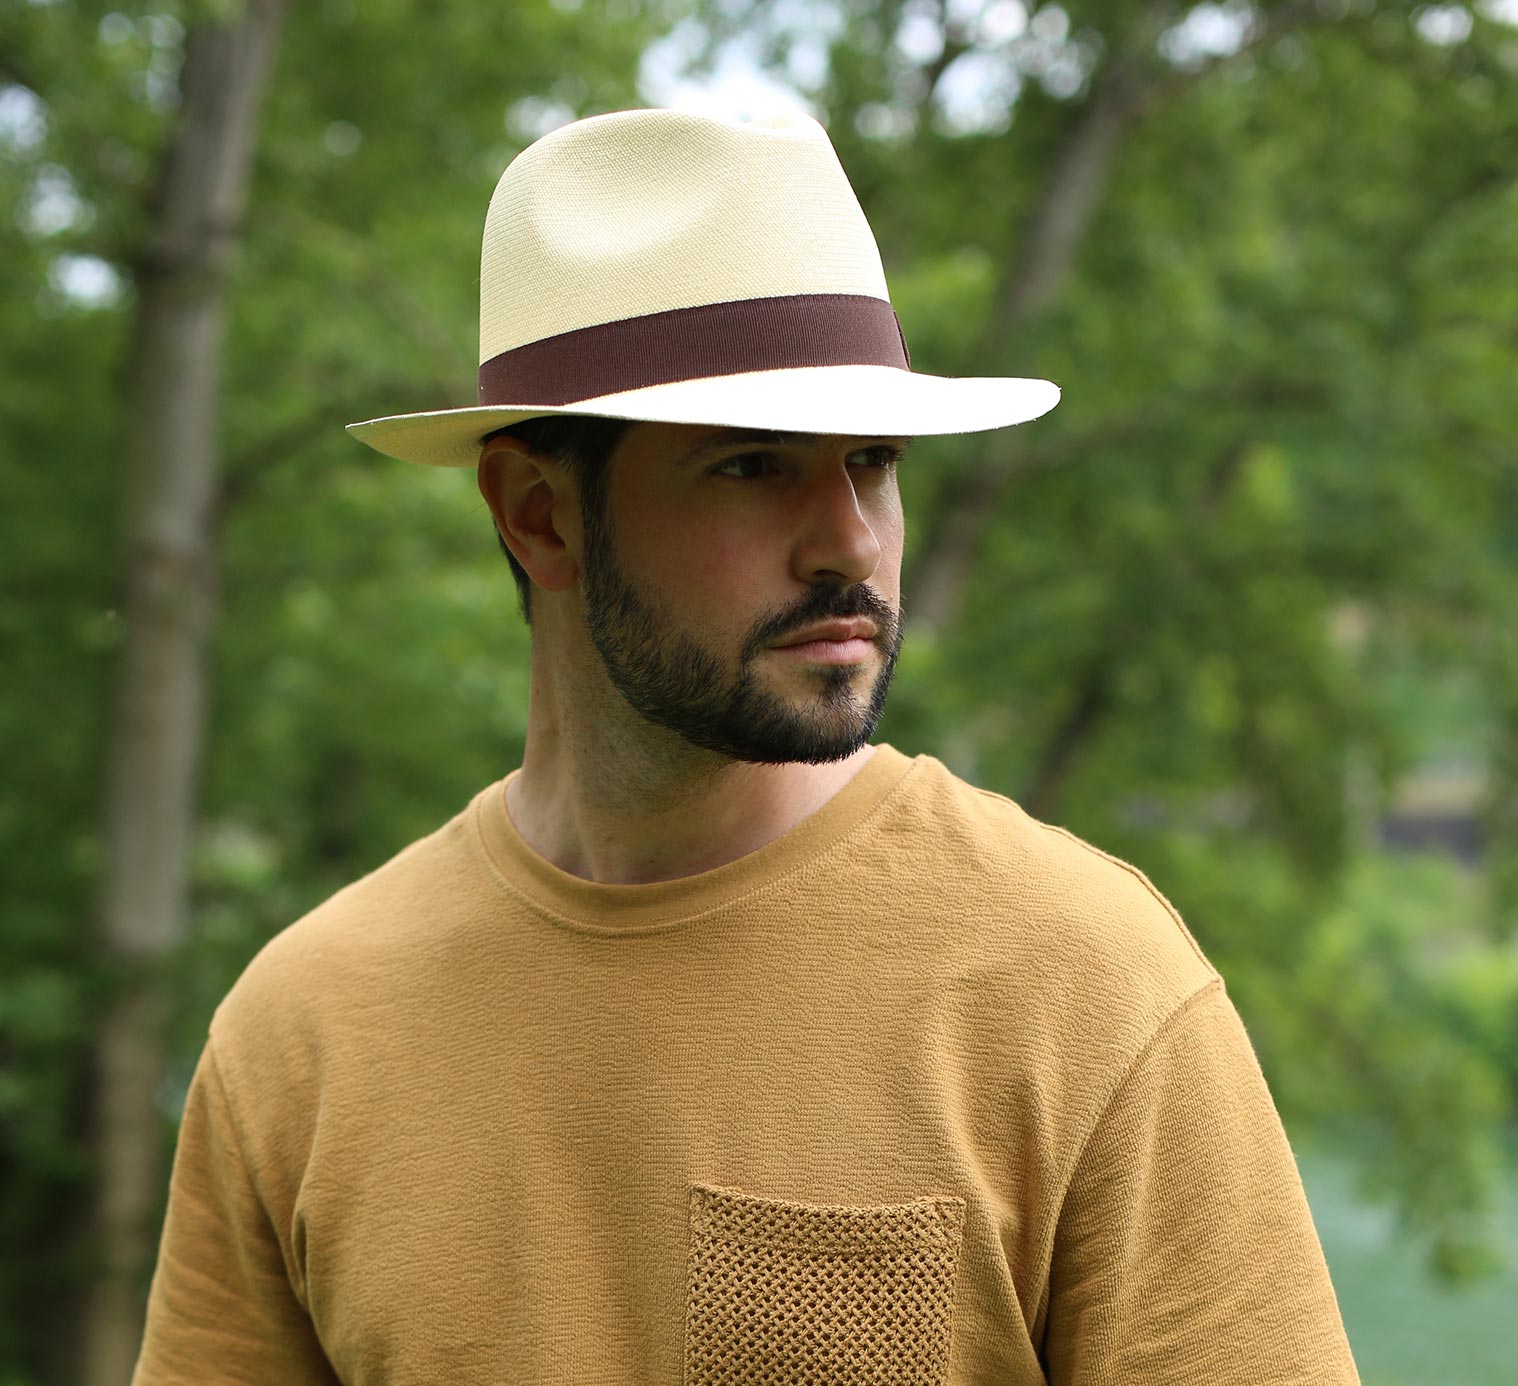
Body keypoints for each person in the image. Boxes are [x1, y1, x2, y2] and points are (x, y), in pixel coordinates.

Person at [131, 108, 1360, 1385]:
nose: (852, 542)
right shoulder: (302, 1030)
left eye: (872, 460)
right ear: (539, 514)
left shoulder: (1084, 985)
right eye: (752, 465)